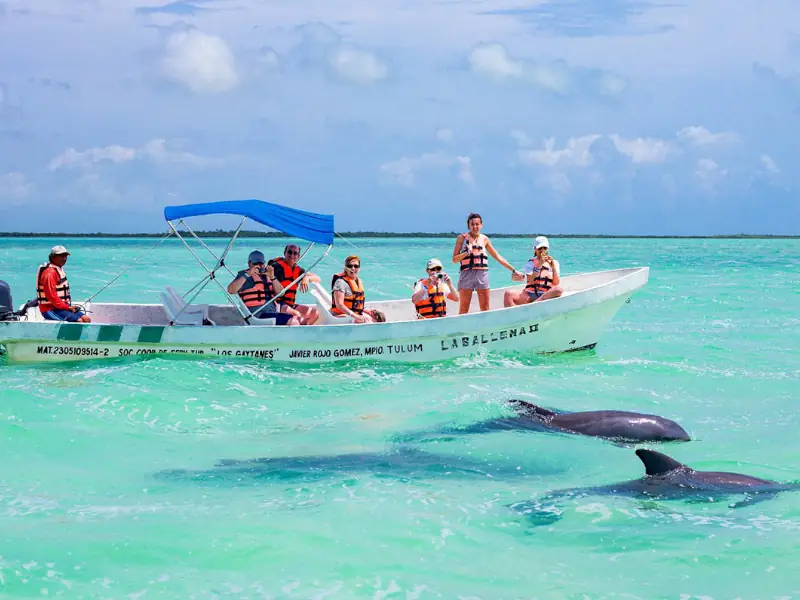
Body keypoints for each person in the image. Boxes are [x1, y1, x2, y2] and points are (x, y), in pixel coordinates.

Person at [451, 213, 521, 314]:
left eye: (477, 224)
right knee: (463, 309)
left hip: (482, 274)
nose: (475, 227)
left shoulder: (484, 239)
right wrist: (466, 252)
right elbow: (454, 260)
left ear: (481, 225)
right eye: (472, 224)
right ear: (469, 226)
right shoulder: (462, 238)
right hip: (467, 275)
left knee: (485, 308)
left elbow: (497, 257)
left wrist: (513, 270)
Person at [227, 250, 299, 325]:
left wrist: (272, 277)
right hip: (259, 315)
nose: (258, 266)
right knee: (294, 321)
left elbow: (281, 294)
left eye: (261, 264)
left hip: (272, 313)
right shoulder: (244, 276)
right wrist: (247, 275)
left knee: (300, 320)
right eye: (255, 264)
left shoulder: (268, 275)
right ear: (249, 264)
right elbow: (230, 290)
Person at [267, 243, 321, 325]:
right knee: (296, 314)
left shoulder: (299, 271)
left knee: (314, 313)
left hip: (290, 304)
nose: (292, 255)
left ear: (298, 256)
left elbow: (317, 278)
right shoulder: (276, 267)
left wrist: (306, 278)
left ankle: (302, 331)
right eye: (289, 252)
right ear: (284, 253)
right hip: (277, 305)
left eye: (295, 253)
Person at [36, 245, 91, 322]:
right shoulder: (49, 273)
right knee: (79, 321)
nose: (64, 259)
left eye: (65, 256)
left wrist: (67, 307)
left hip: (61, 307)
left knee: (86, 319)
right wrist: (67, 308)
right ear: (53, 257)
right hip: (49, 309)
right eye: (61, 256)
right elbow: (51, 296)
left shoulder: (57, 269)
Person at [504, 236, 563, 307]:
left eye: (545, 248)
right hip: (529, 295)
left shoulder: (554, 263)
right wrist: (539, 265)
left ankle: (535, 304)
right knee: (508, 293)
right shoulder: (531, 263)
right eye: (540, 248)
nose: (542, 250)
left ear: (547, 249)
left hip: (546, 294)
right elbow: (531, 281)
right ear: (535, 249)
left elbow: (556, 283)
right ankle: (512, 314)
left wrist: (553, 268)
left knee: (558, 290)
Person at [329, 255, 382, 324]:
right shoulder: (340, 282)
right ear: (345, 268)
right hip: (339, 315)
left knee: (380, 317)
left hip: (353, 314)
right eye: (350, 266)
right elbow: (339, 305)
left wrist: (367, 311)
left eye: (356, 266)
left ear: (359, 268)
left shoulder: (358, 281)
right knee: (363, 321)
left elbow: (356, 304)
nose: (353, 268)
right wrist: (355, 316)